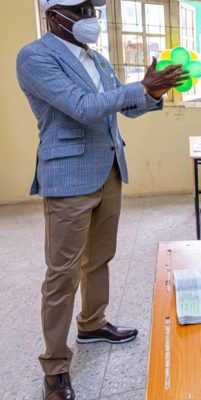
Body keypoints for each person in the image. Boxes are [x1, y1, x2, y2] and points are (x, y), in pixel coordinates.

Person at [16, 1, 187, 399]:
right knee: (63, 272)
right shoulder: (35, 57)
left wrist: (151, 93)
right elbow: (81, 108)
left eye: (93, 7)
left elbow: (122, 107)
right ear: (53, 14)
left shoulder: (97, 58)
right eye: (81, 8)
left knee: (100, 258)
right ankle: (56, 365)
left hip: (110, 168)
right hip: (68, 176)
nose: (91, 15)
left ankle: (92, 323)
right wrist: (138, 88)